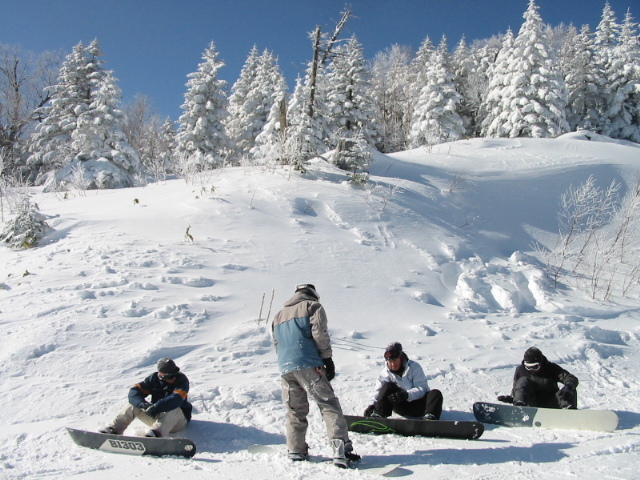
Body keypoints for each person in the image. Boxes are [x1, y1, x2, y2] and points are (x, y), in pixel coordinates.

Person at [271, 284, 359, 468]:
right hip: (310, 363)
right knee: (328, 403)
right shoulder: (313, 306)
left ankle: (296, 449)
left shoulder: (278, 315)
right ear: (313, 295)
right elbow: (319, 333)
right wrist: (327, 359)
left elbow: (276, 342)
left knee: (295, 409)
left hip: (286, 367)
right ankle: (340, 448)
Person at [98, 358, 193, 437]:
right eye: (170, 377)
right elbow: (135, 391)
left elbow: (176, 399)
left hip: (178, 421)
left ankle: (156, 434)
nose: (173, 378)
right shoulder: (153, 379)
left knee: (174, 409)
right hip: (157, 416)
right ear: (161, 375)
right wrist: (142, 405)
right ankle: (114, 429)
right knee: (133, 405)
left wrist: (156, 407)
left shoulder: (181, 380)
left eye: (175, 375)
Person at [364, 342, 443, 420]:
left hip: (419, 406)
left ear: (401, 358)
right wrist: (372, 405)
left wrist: (407, 395)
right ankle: (379, 415)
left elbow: (422, 388)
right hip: (401, 406)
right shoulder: (385, 374)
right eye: (390, 361)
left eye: (395, 360)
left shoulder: (414, 367)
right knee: (387, 386)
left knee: (435, 393)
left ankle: (430, 418)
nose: (392, 364)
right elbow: (378, 392)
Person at [498, 346, 578, 409]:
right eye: (528, 367)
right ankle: (520, 406)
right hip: (532, 403)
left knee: (569, 389)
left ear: (541, 363)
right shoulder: (520, 370)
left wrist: (569, 386)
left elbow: (570, 378)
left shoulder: (551, 368)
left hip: (552, 402)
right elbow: (518, 389)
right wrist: (512, 399)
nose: (532, 370)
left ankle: (568, 411)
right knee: (523, 380)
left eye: (535, 367)